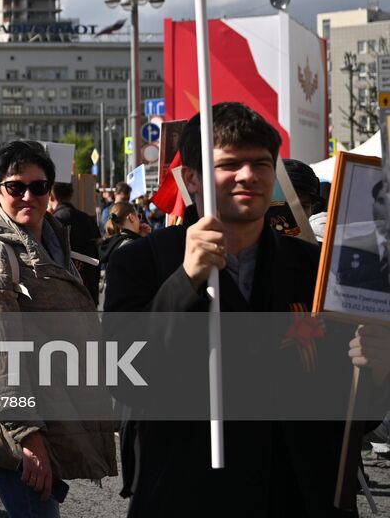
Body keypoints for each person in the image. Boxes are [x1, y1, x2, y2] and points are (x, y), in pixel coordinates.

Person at [105, 102, 390, 516]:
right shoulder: (142, 262)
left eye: (261, 162)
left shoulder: (317, 267)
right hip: (187, 494)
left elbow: (352, 417)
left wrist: (376, 370)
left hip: (300, 496)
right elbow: (124, 378)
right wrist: (185, 282)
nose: (249, 175)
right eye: (230, 163)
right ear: (192, 177)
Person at [0, 140, 116, 516]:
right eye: (15, 187)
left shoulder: (51, 241)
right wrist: (28, 437)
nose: (29, 196)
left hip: (46, 409)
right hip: (14, 427)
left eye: (39, 187)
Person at [49, 181, 101, 304]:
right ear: (71, 195)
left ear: (51, 196)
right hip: (89, 283)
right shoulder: (88, 219)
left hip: (66, 288)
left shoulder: (55, 221)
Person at [98, 201, 144, 270]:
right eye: (139, 216)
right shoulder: (131, 245)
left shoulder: (112, 242)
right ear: (131, 217)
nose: (140, 221)